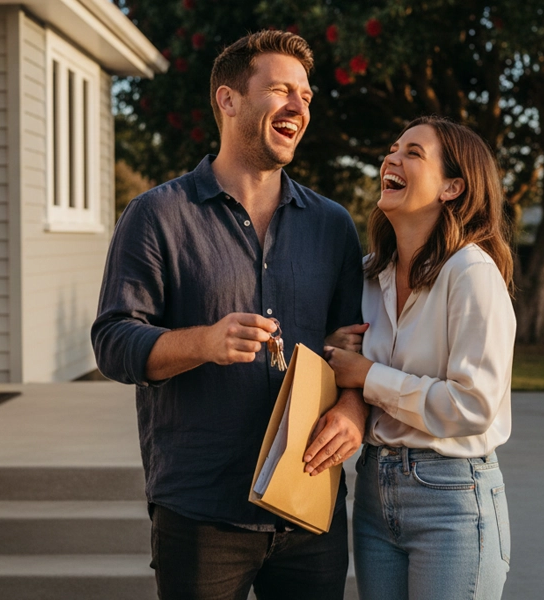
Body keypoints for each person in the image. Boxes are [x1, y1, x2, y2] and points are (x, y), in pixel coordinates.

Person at [90, 31, 368, 600]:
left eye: (307, 97)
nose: (299, 107)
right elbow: (113, 342)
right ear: (228, 99)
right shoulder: (156, 216)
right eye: (281, 90)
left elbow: (356, 346)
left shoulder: (333, 225)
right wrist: (204, 343)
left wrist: (353, 408)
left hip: (309, 504)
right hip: (201, 511)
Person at [324, 116, 516, 600]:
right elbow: (342, 363)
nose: (392, 158)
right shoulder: (369, 274)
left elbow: (473, 405)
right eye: (392, 148)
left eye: (413, 152)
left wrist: (369, 376)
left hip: (452, 497)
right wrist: (335, 353)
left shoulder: (471, 273)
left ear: (452, 187)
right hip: (372, 488)